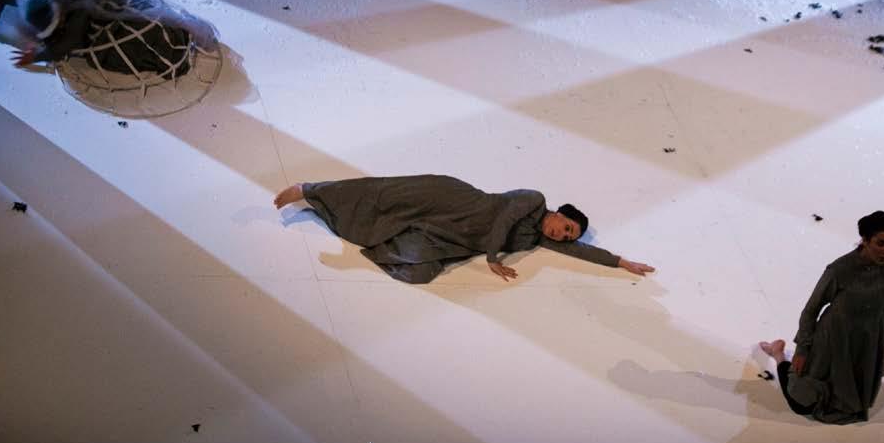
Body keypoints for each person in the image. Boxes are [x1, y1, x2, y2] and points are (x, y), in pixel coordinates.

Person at [274, 174, 655, 284]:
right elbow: (503, 220)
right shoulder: (533, 199)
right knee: (384, 195)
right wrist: (492, 258)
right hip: (453, 202)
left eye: (568, 236)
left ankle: (330, 219)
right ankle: (311, 189)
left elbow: (581, 251)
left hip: (452, 237)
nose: (563, 235)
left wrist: (621, 262)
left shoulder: (535, 238)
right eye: (566, 226)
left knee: (420, 273)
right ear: (559, 212)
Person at [759, 211, 884, 425]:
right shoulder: (840, 269)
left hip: (866, 343)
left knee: (847, 400)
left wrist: (882, 348)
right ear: (865, 240)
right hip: (833, 341)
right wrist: (802, 349)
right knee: (800, 402)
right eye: (881, 243)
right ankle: (779, 355)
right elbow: (811, 310)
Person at [0, 0, 218, 78]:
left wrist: (36, 56)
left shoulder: (78, 14)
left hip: (107, 5)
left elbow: (65, 46)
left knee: (126, 47)